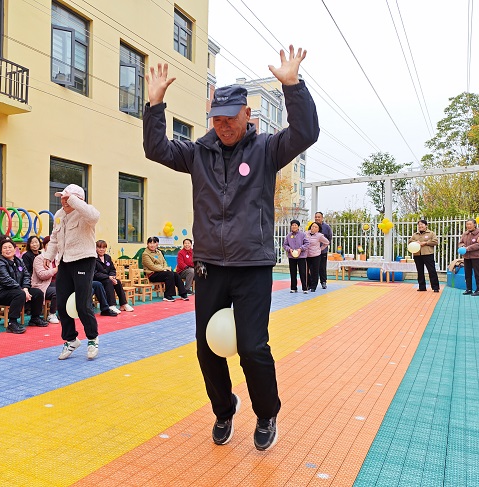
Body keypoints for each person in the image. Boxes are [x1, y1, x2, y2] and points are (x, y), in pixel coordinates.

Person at [143, 45, 319, 450]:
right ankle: (224, 410)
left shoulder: (266, 149)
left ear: (247, 115)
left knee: (253, 347)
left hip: (252, 265)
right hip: (209, 267)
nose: (222, 126)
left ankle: (266, 413)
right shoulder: (197, 154)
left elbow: (306, 133)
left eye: (230, 118)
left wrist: (293, 87)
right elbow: (156, 149)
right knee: (207, 347)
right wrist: (155, 106)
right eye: (216, 119)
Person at [42, 184, 101, 360]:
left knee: (82, 304)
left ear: (77, 199)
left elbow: (95, 216)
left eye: (67, 198)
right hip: (65, 262)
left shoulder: (85, 213)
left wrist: (74, 201)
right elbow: (54, 238)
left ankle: (92, 338)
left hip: (84, 259)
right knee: (61, 304)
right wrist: (49, 256)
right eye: (62, 197)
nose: (63, 201)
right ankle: (71, 340)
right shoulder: (59, 215)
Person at [0, 237, 47, 333]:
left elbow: (26, 276)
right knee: (19, 294)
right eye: (5, 248)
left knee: (38, 293)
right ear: (1, 250)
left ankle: (35, 318)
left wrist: (26, 288)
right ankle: (12, 323)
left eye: (10, 247)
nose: (7, 250)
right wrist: (22, 290)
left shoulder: (19, 261)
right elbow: (6, 280)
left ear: (14, 249)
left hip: (18, 290)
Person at [142, 236, 189, 302]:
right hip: (152, 274)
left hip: (161, 272)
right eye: (150, 243)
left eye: (154, 243)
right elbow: (152, 266)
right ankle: (167, 296)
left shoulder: (159, 252)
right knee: (169, 274)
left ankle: (183, 294)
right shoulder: (145, 254)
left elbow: (164, 262)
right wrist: (163, 269)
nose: (152, 245)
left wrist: (165, 268)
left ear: (156, 244)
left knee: (175, 274)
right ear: (147, 244)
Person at [94, 239, 134, 313]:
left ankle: (123, 304)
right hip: (99, 280)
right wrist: (108, 277)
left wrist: (112, 276)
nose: (101, 250)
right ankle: (111, 305)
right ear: (96, 248)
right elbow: (95, 273)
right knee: (109, 282)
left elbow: (112, 269)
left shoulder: (107, 257)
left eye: (103, 248)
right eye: (99, 247)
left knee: (117, 282)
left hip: (108, 278)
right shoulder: (93, 258)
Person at [31, 236, 59, 323]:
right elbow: (41, 275)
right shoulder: (39, 258)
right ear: (44, 246)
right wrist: (55, 270)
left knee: (68, 288)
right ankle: (51, 314)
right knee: (58, 290)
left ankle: (63, 313)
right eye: (49, 245)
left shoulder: (58, 258)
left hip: (55, 283)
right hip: (42, 285)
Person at [409, 219, 440, 292]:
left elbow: (435, 242)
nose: (420, 226)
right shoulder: (415, 234)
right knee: (420, 271)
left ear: (426, 225)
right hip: (417, 254)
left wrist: (425, 243)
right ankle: (422, 287)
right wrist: (415, 242)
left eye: (422, 224)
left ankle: (435, 287)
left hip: (428, 254)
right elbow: (410, 241)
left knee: (431, 271)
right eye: (419, 225)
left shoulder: (431, 233)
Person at [283, 220, 310, 294]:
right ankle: (293, 288)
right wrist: (289, 249)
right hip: (291, 257)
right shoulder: (288, 235)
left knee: (303, 272)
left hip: (301, 256)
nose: (294, 226)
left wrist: (300, 249)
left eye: (295, 225)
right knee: (293, 272)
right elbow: (285, 245)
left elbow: (307, 243)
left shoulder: (303, 234)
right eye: (292, 225)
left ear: (298, 226)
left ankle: (304, 288)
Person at [459, 219, 479, 296]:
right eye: (467, 224)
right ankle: (468, 289)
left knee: (477, 273)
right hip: (467, 257)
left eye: (470, 224)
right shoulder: (465, 234)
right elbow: (460, 242)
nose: (468, 226)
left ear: (475, 225)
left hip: (477, 256)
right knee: (467, 273)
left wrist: (467, 248)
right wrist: (462, 246)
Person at [305, 222, 329, 292]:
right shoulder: (306, 234)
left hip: (316, 255)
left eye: (316, 227)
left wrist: (320, 249)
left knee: (314, 271)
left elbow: (327, 242)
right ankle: (308, 284)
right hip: (307, 255)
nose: (313, 228)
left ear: (318, 229)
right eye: (312, 226)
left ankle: (313, 286)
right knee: (305, 271)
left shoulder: (319, 236)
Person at [314, 212, 332, 289]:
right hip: (313, 251)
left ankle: (323, 282)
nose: (317, 218)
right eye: (316, 217)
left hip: (323, 251)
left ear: (322, 218)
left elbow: (329, 238)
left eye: (319, 217)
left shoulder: (326, 227)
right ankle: (312, 283)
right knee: (313, 267)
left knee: (322, 267)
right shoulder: (312, 226)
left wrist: (323, 247)